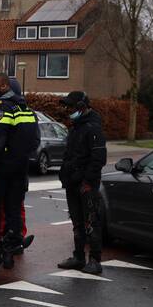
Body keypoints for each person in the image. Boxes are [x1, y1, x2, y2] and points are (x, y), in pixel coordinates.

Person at [0, 73, 39, 276]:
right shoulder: (25, 108)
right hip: (19, 169)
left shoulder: (0, 108)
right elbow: (34, 142)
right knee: (13, 212)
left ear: (3, 86)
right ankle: (9, 251)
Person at [56, 91, 108, 275]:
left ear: (82, 106)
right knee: (77, 221)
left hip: (86, 184)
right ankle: (78, 257)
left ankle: (95, 260)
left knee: (91, 221)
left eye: (71, 107)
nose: (68, 110)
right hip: (72, 182)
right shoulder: (76, 127)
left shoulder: (93, 128)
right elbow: (70, 154)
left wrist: (88, 181)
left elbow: (98, 158)